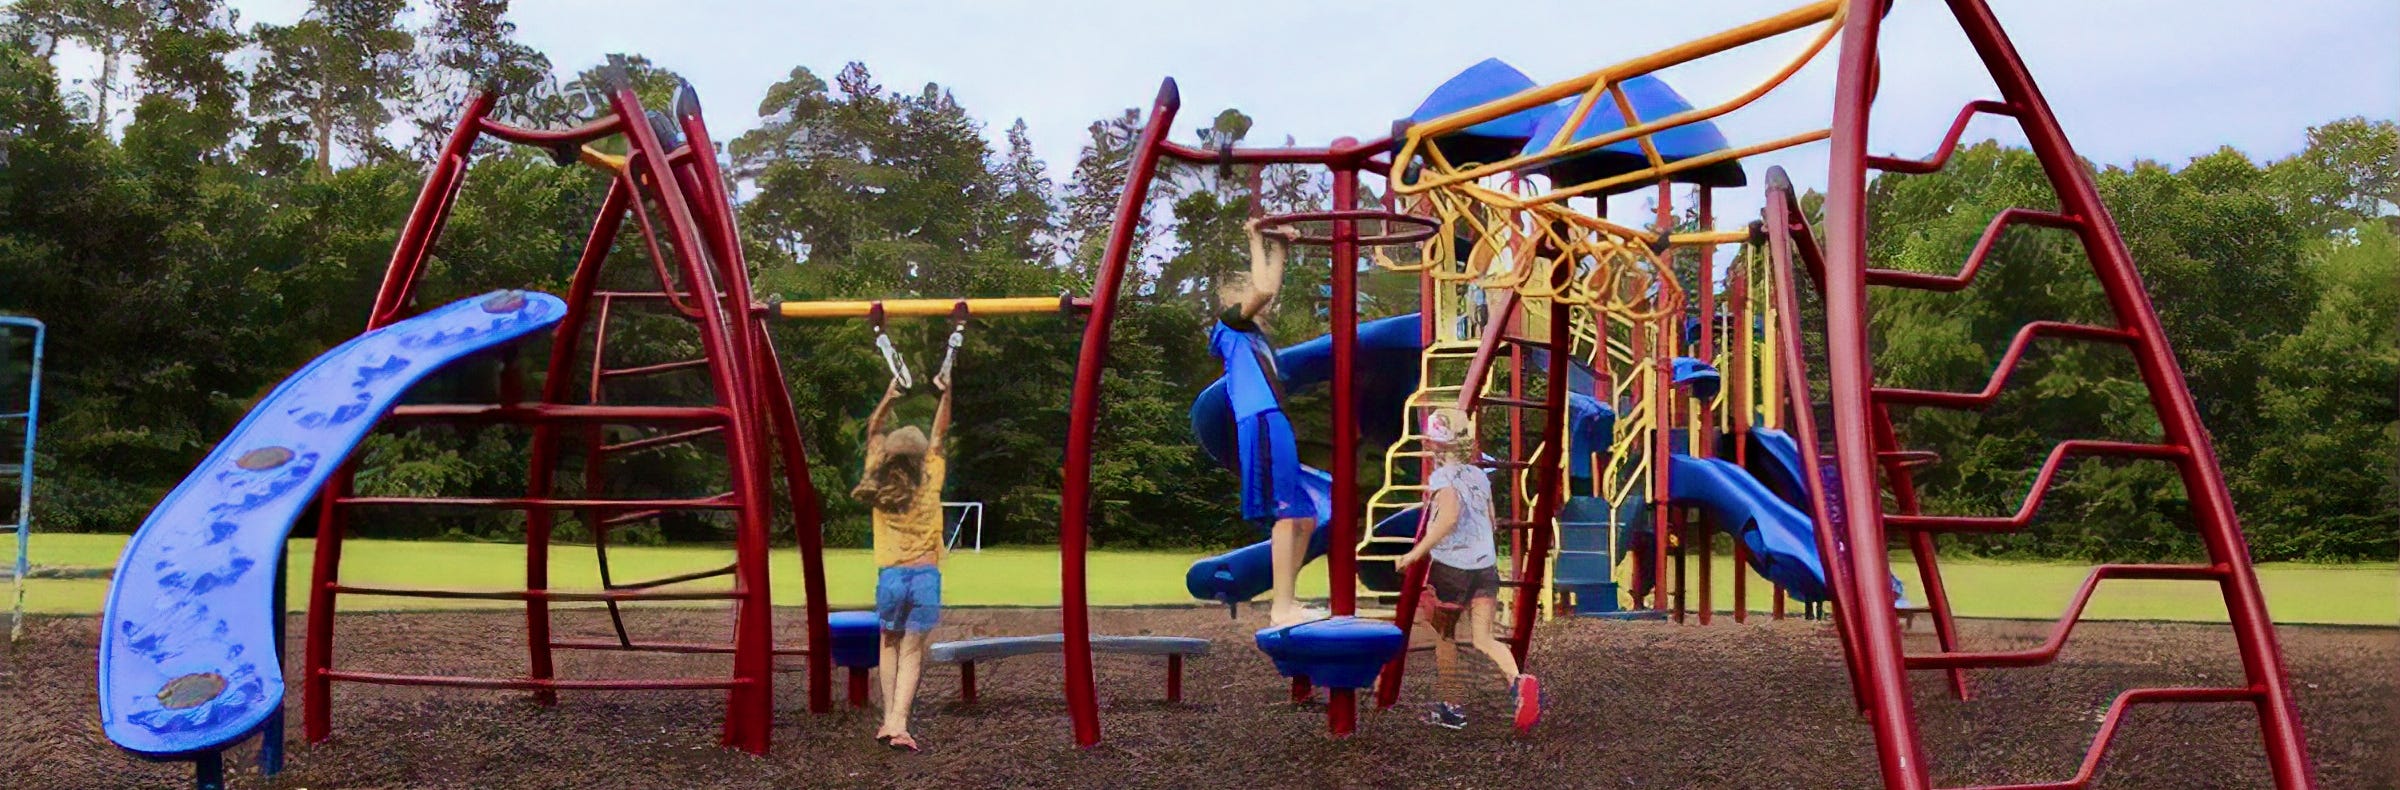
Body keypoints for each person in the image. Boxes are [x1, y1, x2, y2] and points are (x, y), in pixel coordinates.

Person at [1394, 407, 1542, 733]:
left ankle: (1452, 709)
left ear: (1437, 444)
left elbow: (1447, 519)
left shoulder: (1442, 478)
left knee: (1444, 636)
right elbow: (1490, 520)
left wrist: (1415, 553)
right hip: (1485, 567)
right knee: (1483, 638)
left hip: (1452, 569)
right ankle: (1518, 681)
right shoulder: (1478, 476)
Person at [1216, 219, 1321, 627]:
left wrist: (1282, 247)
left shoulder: (1254, 335)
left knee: (1306, 516)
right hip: (1259, 417)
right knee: (1285, 514)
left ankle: (1287, 599)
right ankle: (1282, 607)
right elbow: (1263, 290)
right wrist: (1256, 237)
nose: (1259, 296)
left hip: (1274, 419)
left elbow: (1268, 289)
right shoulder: (1228, 325)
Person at [851, 371, 953, 752]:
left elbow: (873, 430)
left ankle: (888, 719)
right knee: (912, 650)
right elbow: (942, 431)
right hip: (925, 575)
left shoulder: (876, 477)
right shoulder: (930, 475)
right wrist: (947, 391)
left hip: (891, 577)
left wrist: (889, 395)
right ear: (920, 455)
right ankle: (900, 721)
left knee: (888, 643)